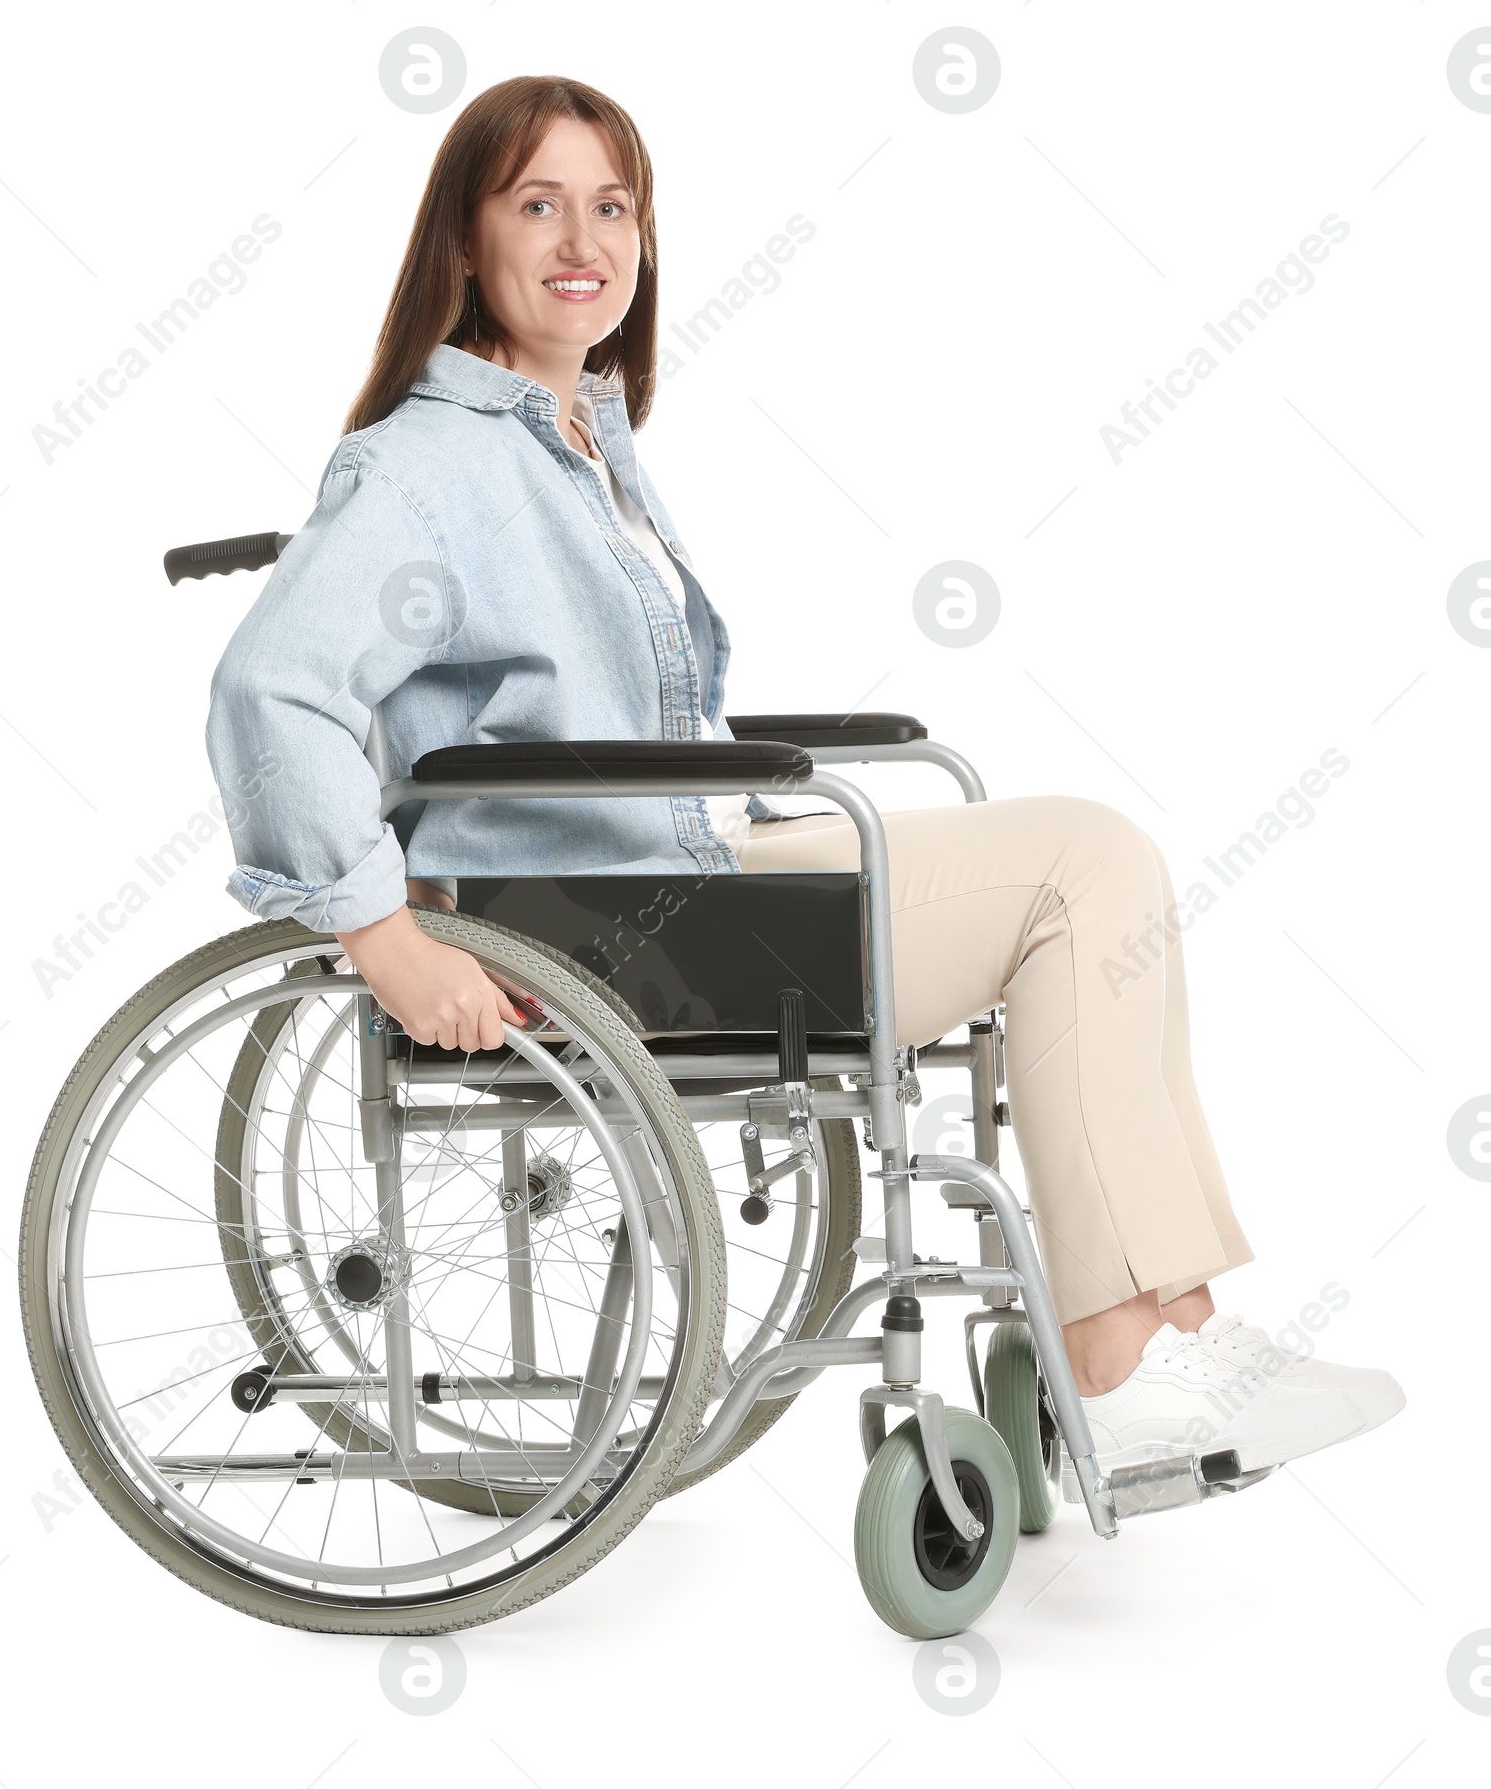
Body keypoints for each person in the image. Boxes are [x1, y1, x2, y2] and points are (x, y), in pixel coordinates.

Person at [205, 74, 1401, 1476]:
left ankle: (1155, 1333)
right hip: (606, 921)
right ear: (466, 243)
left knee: (1093, 863)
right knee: (1086, 871)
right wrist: (386, 937)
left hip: (685, 868)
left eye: (612, 206)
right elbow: (267, 689)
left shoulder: (581, 442)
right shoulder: (426, 466)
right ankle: (1131, 1355)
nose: (582, 237)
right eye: (538, 203)